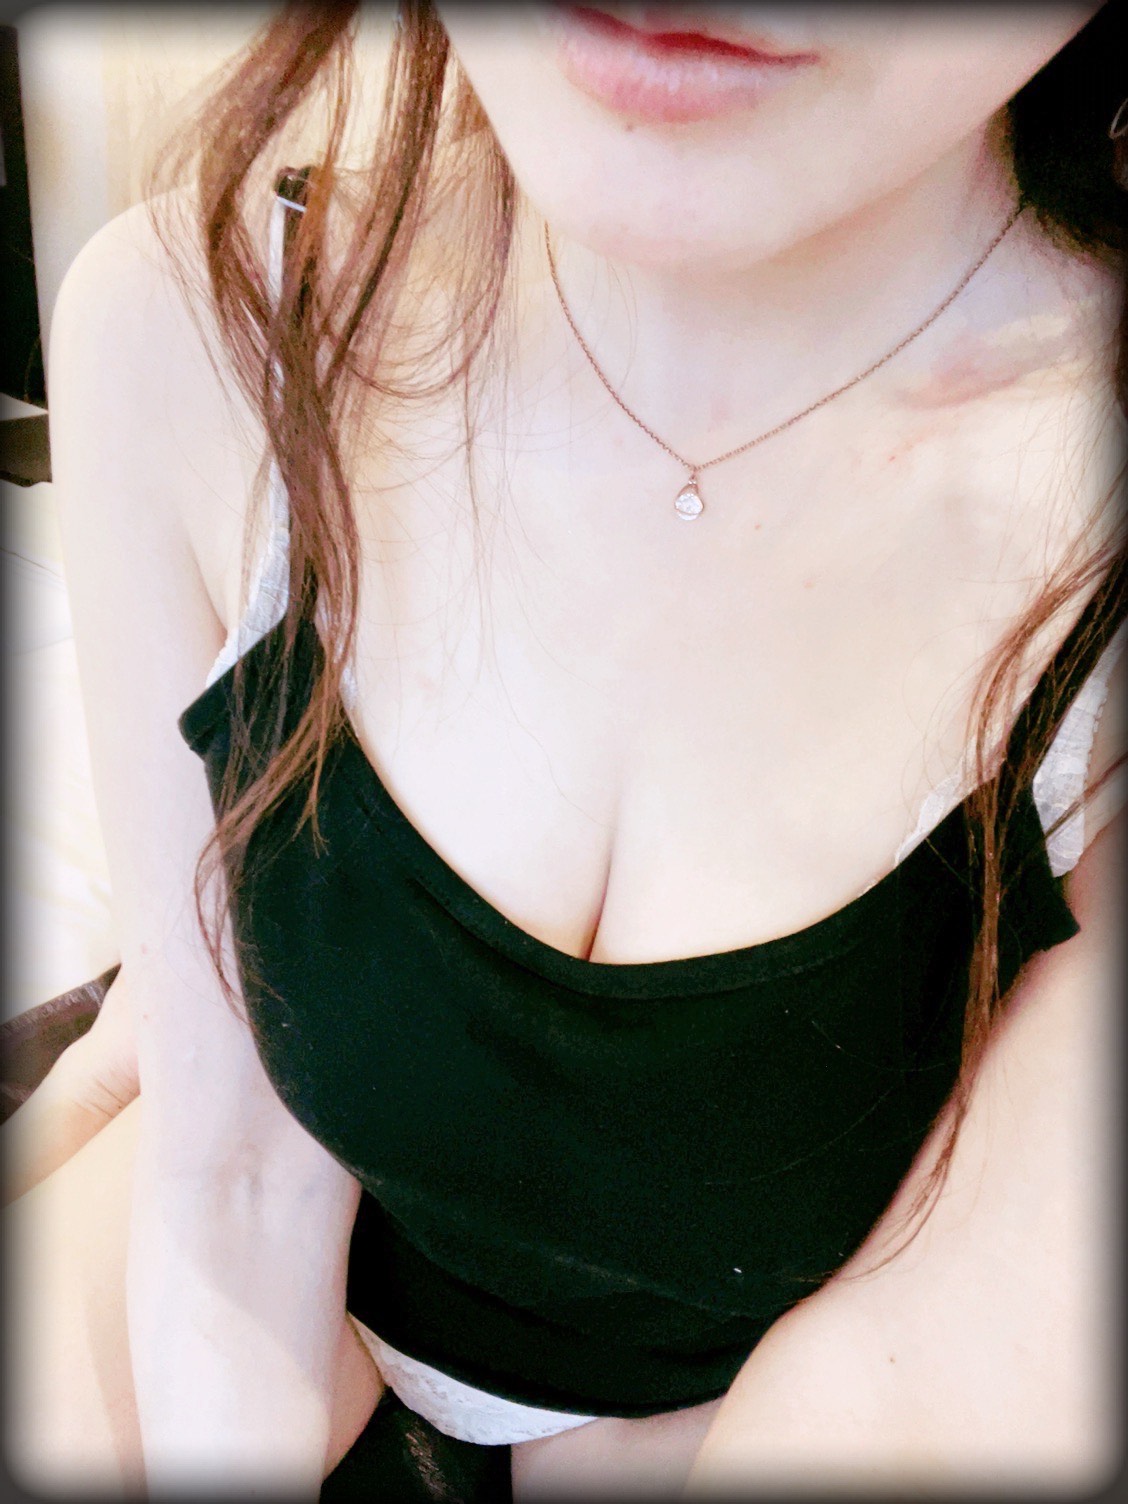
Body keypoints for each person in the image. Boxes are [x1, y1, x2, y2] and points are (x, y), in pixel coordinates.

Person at [5, 2, 1126, 1498]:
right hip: (282, 1264)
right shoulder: (187, 327)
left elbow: (913, 1368)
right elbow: (231, 1178)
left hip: (707, 1400)